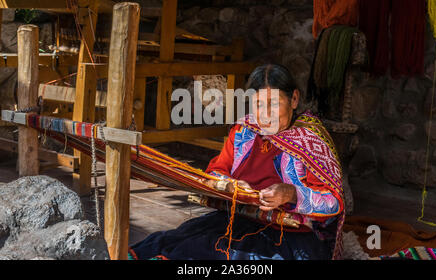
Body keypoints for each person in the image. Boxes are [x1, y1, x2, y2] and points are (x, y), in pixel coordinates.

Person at [128, 64, 345, 260]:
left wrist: (290, 194)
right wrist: (229, 185)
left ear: (294, 99)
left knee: (220, 253)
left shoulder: (310, 140)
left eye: (274, 104)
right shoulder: (245, 132)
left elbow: (332, 202)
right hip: (238, 220)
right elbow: (216, 171)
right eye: (258, 105)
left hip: (291, 234)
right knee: (174, 240)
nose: (265, 115)